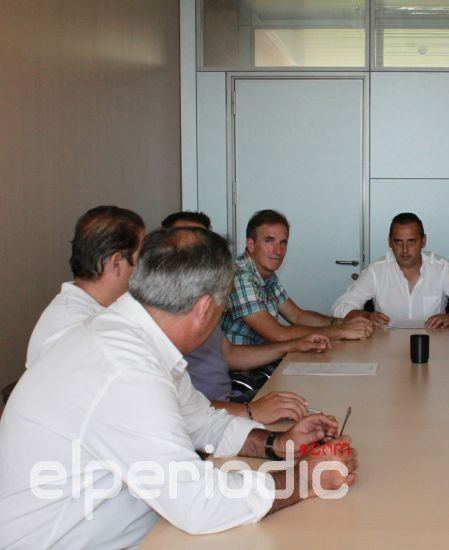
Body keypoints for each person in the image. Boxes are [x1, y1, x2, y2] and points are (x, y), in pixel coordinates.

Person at [0, 227, 359, 547]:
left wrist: (277, 443)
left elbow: (202, 422)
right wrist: (304, 479)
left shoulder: (139, 339)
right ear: (204, 309)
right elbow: (197, 504)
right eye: (222, 307)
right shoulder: (125, 368)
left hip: (137, 531)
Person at [163, 211, 331, 421]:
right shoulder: (166, 312)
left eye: (203, 244)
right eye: (269, 241)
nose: (278, 251)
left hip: (225, 405)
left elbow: (230, 354)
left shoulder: (204, 295)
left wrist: (294, 345)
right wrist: (251, 412)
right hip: (221, 407)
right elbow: (183, 410)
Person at [222, 209, 373, 346]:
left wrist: (343, 322)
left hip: (267, 359)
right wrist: (342, 331)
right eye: (269, 241)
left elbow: (297, 316)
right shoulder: (241, 277)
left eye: (283, 243)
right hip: (249, 367)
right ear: (251, 244)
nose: (278, 251)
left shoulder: (266, 274)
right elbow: (278, 335)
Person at [26, 205, 145, 367]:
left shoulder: (100, 310)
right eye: (141, 259)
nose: (145, 269)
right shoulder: (75, 325)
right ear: (117, 264)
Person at [331, 212, 449, 329]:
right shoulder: (376, 270)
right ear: (390, 242)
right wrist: (366, 316)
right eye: (398, 242)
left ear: (423, 241)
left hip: (434, 345)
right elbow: (340, 307)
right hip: (385, 346)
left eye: (411, 241)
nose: (405, 250)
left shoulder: (442, 268)